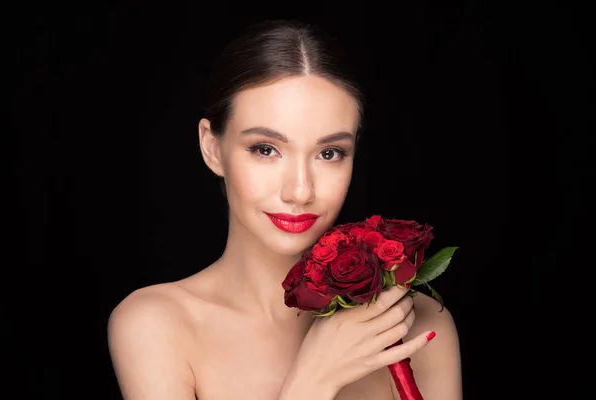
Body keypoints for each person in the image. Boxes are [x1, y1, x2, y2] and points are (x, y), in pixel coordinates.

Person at [107, 19, 462, 400]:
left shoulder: (414, 323)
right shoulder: (156, 325)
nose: (300, 191)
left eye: (329, 153)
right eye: (265, 149)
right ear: (212, 147)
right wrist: (314, 379)